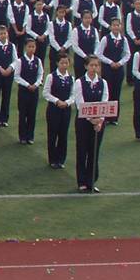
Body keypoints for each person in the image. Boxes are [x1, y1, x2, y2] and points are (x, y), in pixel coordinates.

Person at [73, 56, 110, 193]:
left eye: (97, 65)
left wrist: (100, 119)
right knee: (82, 150)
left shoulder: (103, 82)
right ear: (86, 66)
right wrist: (91, 119)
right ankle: (82, 181)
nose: (94, 68)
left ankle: (91, 181)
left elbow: (104, 101)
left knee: (94, 151)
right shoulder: (79, 82)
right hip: (83, 122)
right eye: (92, 65)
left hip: (98, 123)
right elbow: (80, 103)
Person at [42, 53, 75, 170]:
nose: (64, 65)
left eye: (66, 63)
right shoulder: (51, 77)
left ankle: (61, 159)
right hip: (53, 109)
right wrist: (57, 101)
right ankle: (52, 159)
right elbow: (45, 93)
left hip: (66, 109)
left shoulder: (71, 78)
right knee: (52, 134)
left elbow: (73, 94)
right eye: (62, 63)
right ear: (57, 63)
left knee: (63, 134)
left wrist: (67, 102)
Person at [13, 38, 44, 145]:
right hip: (23, 91)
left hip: (34, 91)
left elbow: (40, 74)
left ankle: (30, 136)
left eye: (33, 47)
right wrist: (27, 85)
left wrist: (36, 84)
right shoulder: (20, 61)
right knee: (23, 114)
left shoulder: (38, 61)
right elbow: (17, 76)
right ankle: (22, 136)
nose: (31, 49)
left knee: (32, 114)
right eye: (29, 46)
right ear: (26, 47)